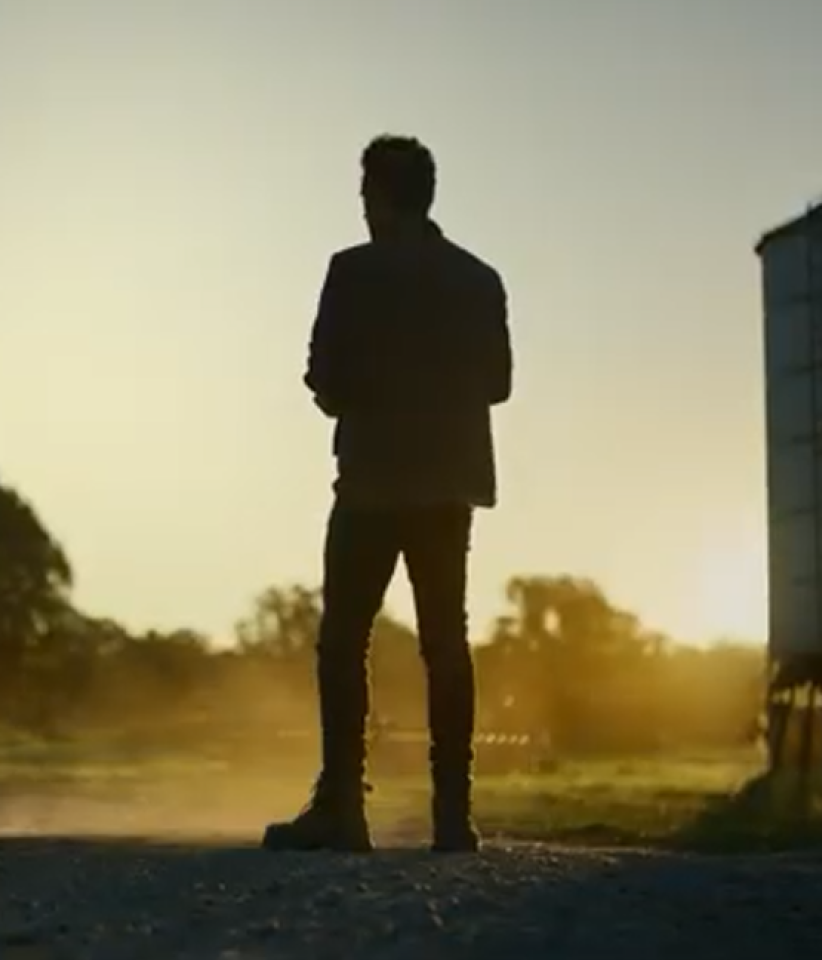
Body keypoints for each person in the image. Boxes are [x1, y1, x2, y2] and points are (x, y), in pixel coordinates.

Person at [262, 135, 513, 854]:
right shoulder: (479, 279)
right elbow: (498, 383)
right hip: (449, 486)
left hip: (371, 481)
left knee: (344, 638)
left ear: (376, 192)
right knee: (446, 642)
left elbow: (323, 377)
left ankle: (344, 804)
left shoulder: (352, 273)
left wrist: (360, 394)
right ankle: (453, 816)